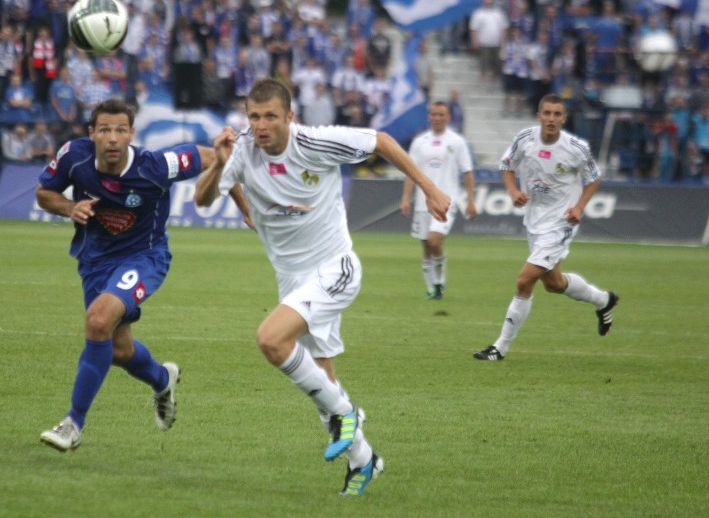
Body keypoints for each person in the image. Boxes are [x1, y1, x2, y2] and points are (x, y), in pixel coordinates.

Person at [193, 79, 450, 496]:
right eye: (254, 116)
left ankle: (349, 414)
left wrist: (430, 187)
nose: (261, 125)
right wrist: (220, 164)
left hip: (335, 267)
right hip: (292, 279)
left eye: (271, 116)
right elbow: (203, 200)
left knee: (271, 340)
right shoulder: (240, 150)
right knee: (321, 381)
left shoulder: (316, 142)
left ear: (290, 118)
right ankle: (364, 461)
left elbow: (381, 141)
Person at [36, 99, 217, 452]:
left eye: (121, 130)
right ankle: (163, 380)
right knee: (118, 350)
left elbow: (212, 157)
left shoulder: (154, 166)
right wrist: (70, 207)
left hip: (144, 257)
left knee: (98, 319)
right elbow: (44, 193)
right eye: (105, 130)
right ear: (92, 133)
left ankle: (73, 424)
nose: (113, 138)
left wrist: (240, 200)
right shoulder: (74, 156)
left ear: (132, 133)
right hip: (95, 260)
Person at [473, 94, 620, 361]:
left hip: (561, 222)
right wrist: (513, 190)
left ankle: (500, 348)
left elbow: (594, 178)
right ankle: (603, 300)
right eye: (547, 113)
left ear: (564, 118)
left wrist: (579, 207)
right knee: (554, 284)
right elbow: (506, 165)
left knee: (524, 280)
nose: (551, 119)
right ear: (539, 115)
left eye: (557, 114)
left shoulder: (575, 148)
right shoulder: (525, 139)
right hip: (534, 220)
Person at [400, 101, 477, 300]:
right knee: (426, 246)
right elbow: (410, 171)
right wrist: (405, 198)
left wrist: (471, 201)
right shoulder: (420, 142)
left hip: (446, 201)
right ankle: (432, 290)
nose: (437, 118)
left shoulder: (457, 142)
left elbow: (467, 171)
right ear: (429, 117)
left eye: (441, 114)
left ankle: (440, 282)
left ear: (448, 117)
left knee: (435, 240)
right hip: (422, 202)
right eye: (434, 114)